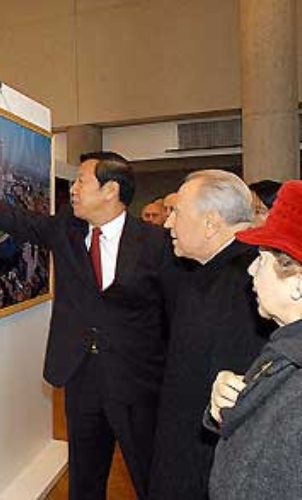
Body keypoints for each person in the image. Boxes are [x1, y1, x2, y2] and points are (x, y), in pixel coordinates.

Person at [0, 152, 173, 500]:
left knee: (151, 477)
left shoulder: (156, 243)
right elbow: (17, 219)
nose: (74, 189)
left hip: (136, 381)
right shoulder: (67, 229)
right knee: (84, 479)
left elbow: (173, 313)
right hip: (80, 376)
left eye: (82, 180)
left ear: (110, 190)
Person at [149, 170, 272, 500]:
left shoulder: (250, 285)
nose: (168, 223)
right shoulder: (210, 272)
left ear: (210, 223)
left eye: (177, 213)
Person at [207, 180, 302, 499]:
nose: (250, 270)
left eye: (261, 259)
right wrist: (228, 404)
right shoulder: (286, 347)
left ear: (298, 284)